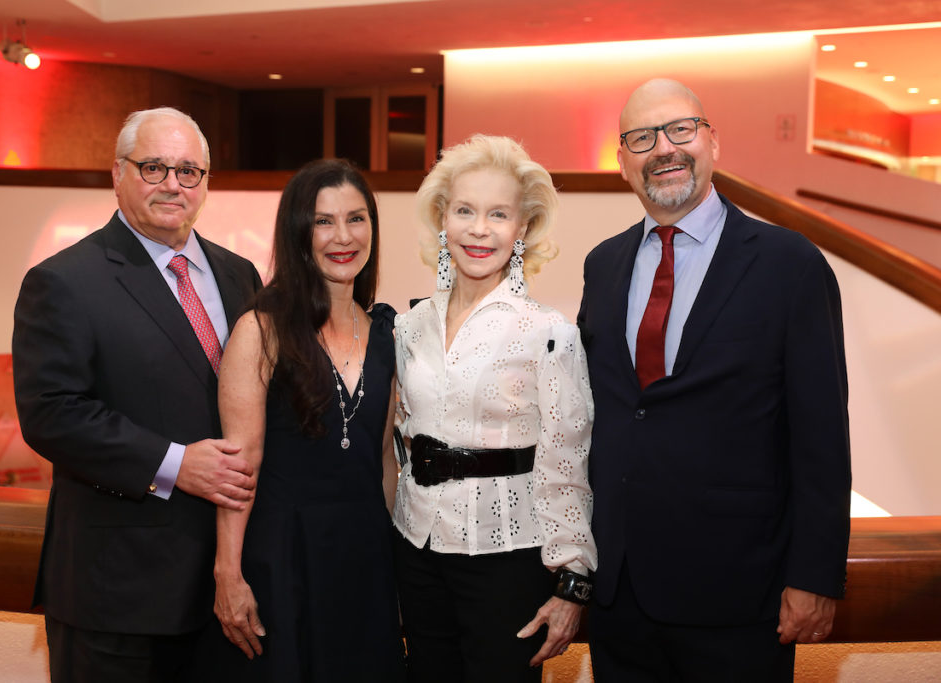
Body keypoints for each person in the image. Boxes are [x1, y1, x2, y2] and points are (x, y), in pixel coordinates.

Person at [577, 78, 851, 681]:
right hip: (619, 596)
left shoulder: (790, 264)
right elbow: (599, 416)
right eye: (642, 138)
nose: (665, 148)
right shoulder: (603, 265)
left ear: (712, 142)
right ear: (623, 163)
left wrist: (815, 576)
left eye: (681, 129)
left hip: (739, 596)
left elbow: (822, 436)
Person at [12, 106, 263, 682]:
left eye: (188, 171)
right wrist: (175, 464)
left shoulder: (239, 275)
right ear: (117, 174)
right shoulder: (64, 281)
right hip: (117, 593)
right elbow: (52, 414)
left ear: (206, 182)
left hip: (229, 586)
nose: (173, 184)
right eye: (153, 167)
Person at [393, 134, 597, 682]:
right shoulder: (408, 327)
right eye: (464, 211)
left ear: (523, 229)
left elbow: (566, 460)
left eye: (499, 214)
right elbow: (398, 439)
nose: (479, 229)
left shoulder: (549, 332)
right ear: (442, 218)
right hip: (416, 550)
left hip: (508, 561)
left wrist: (573, 579)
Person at [200, 159, 405, 682]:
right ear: (298, 232)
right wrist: (228, 572)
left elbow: (384, 462)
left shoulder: (386, 333)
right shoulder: (262, 329)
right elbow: (237, 467)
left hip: (364, 560)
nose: (343, 237)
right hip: (282, 557)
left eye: (357, 219)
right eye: (323, 221)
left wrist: (398, 567)